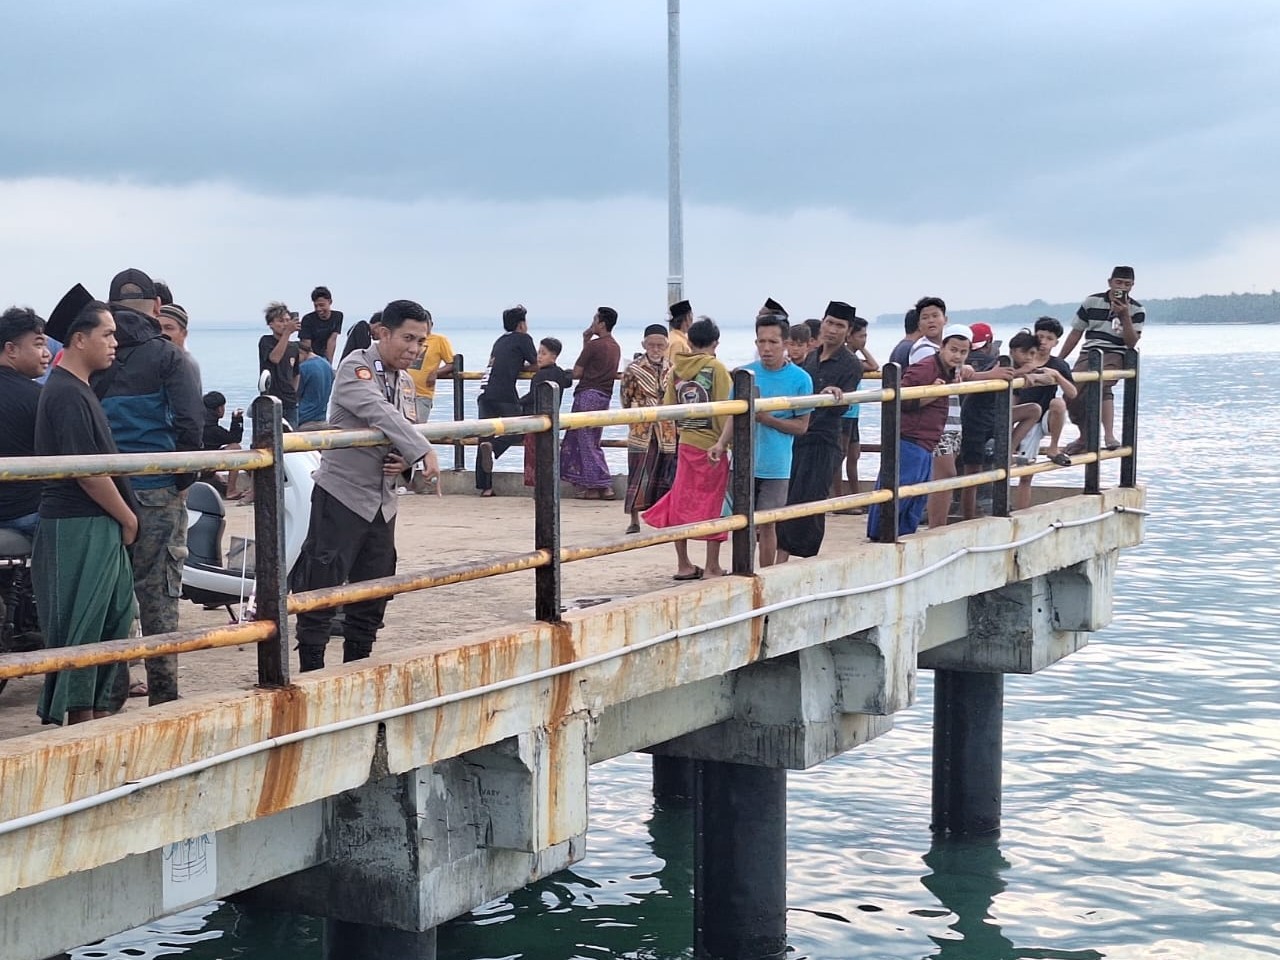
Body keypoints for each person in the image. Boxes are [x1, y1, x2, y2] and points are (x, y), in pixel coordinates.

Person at [291, 299, 441, 672]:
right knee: (321, 586)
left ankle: (358, 669)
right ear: (383, 333)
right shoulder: (355, 367)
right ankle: (312, 673)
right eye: (408, 338)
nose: (414, 348)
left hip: (383, 501)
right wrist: (422, 450)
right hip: (343, 493)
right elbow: (378, 411)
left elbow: (404, 425)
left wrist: (407, 459)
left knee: (374, 591)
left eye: (421, 341)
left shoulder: (405, 381)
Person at [96, 268, 203, 706]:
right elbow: (190, 426)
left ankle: (109, 695)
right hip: (157, 491)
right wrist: (181, 482)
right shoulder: (170, 357)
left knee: (109, 598)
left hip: (101, 492)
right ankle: (164, 696)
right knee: (159, 595)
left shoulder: (94, 350)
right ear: (158, 308)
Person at [33, 300, 138, 725]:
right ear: (79, 339)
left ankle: (93, 717)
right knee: (84, 626)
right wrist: (129, 518)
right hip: (77, 524)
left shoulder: (80, 389)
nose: (115, 343)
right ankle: (78, 723)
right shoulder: (64, 392)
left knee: (113, 620)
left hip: (96, 523)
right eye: (107, 335)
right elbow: (87, 473)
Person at [642, 317, 734, 580]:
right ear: (715, 342)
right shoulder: (716, 368)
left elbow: (670, 408)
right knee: (714, 503)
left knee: (680, 500)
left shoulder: (676, 370)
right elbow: (727, 408)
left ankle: (683, 563)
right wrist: (725, 442)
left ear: (689, 342)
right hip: (712, 445)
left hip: (686, 442)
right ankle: (712, 565)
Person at [867, 327, 972, 540]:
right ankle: (881, 535)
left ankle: (902, 535)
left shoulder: (949, 371)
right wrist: (931, 393)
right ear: (942, 347)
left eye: (963, 352)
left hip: (926, 440)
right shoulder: (925, 368)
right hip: (910, 438)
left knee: (916, 495)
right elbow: (900, 399)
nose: (957, 356)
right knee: (899, 492)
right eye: (953, 350)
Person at [775, 301, 860, 561]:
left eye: (840, 326)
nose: (832, 329)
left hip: (824, 440)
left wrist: (831, 396)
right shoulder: (811, 356)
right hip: (797, 436)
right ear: (822, 323)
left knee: (811, 501)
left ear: (848, 331)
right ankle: (781, 558)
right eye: (829, 322)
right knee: (788, 497)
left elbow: (838, 409)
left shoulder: (850, 365)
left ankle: (805, 561)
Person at [742, 313, 812, 566]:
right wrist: (720, 443)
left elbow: (802, 426)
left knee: (767, 523)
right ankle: (743, 569)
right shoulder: (745, 373)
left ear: (785, 343)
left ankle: (766, 573)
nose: (767, 348)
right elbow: (731, 415)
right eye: (761, 342)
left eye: (773, 342)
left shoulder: (800, 379)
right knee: (742, 522)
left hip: (776, 463)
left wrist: (767, 419)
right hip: (743, 461)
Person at [1060, 266, 1143, 452]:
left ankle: (1109, 435)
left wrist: (1124, 316)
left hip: (1115, 353)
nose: (1122, 287)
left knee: (1102, 385)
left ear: (1132, 286)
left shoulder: (1137, 309)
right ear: (1110, 282)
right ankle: (1084, 436)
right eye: (1118, 283)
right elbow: (1076, 333)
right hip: (1089, 352)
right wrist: (1059, 360)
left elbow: (1131, 342)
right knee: (1072, 393)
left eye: (1127, 284)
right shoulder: (1092, 302)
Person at [1010, 329, 1077, 509]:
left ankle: (1053, 447)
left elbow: (1071, 392)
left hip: (1045, 417)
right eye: (1040, 337)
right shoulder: (1022, 362)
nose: (1044, 342)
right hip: (1025, 417)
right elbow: (1014, 395)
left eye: (1049, 338)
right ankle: (1017, 509)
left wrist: (1056, 376)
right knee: (1025, 470)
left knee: (1058, 403)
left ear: (1056, 342)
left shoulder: (1058, 364)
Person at [620, 325, 677, 534]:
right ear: (644, 345)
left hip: (667, 428)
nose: (655, 349)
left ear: (666, 346)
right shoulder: (633, 370)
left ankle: (663, 516)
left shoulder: (673, 369)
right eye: (651, 345)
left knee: (666, 472)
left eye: (660, 345)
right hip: (641, 428)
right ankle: (634, 519)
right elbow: (625, 399)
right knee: (638, 473)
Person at [0, 307, 52, 537]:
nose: (47, 354)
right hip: (25, 514)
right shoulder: (39, 397)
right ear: (10, 349)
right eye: (39, 345)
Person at [476, 305, 538, 496]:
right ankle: (494, 447)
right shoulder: (523, 339)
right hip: (503, 392)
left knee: (484, 436)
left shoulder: (500, 341)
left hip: (485, 392)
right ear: (521, 324)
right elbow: (536, 363)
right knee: (520, 430)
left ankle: (485, 487)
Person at [561, 307, 622, 499]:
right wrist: (586, 339)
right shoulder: (615, 346)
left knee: (584, 440)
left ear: (602, 323)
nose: (593, 323)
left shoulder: (594, 346)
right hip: (604, 396)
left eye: (595, 320)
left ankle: (603, 483)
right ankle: (592, 487)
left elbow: (578, 372)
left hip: (587, 394)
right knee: (591, 439)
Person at [833, 314, 879, 509]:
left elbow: (874, 365)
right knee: (839, 456)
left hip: (854, 413)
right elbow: (872, 366)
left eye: (866, 336)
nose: (864, 339)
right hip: (844, 414)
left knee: (854, 456)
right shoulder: (844, 359)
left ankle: (855, 497)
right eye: (861, 336)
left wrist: (861, 347)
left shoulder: (853, 358)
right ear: (849, 336)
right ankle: (839, 499)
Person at [520, 337, 574, 488]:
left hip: (535, 420)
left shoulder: (540, 375)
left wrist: (518, 401)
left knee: (534, 455)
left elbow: (532, 396)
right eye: (538, 353)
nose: (539, 357)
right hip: (553, 419)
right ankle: (549, 486)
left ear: (553, 356)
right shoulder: (559, 373)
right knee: (548, 456)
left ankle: (538, 487)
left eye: (543, 353)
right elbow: (568, 379)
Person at [406, 311, 455, 423]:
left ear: (431, 324)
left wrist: (436, 373)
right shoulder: (409, 339)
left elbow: (451, 363)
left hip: (422, 394)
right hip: (403, 392)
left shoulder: (439, 340)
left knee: (417, 428)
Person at [259, 302, 302, 428]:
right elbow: (274, 358)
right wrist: (287, 333)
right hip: (270, 401)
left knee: (292, 441)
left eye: (288, 321)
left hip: (290, 403)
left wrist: (293, 392)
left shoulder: (294, 347)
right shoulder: (266, 341)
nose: (285, 324)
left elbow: (296, 373)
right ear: (271, 324)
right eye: (281, 321)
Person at [200, 391, 246, 499]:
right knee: (236, 448)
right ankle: (231, 491)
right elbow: (235, 439)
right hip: (204, 467)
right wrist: (236, 419)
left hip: (193, 465)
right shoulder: (213, 429)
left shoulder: (198, 423)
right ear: (220, 409)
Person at [296, 340, 336, 427]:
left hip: (304, 418)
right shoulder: (327, 365)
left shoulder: (303, 368)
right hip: (321, 418)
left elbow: (295, 393)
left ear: (300, 353)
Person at [300, 285, 343, 363]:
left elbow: (332, 341)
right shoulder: (308, 319)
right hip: (310, 356)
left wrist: (329, 363)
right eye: (316, 306)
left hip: (324, 356)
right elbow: (306, 346)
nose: (318, 309)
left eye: (321, 305)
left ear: (330, 302)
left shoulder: (338, 316)